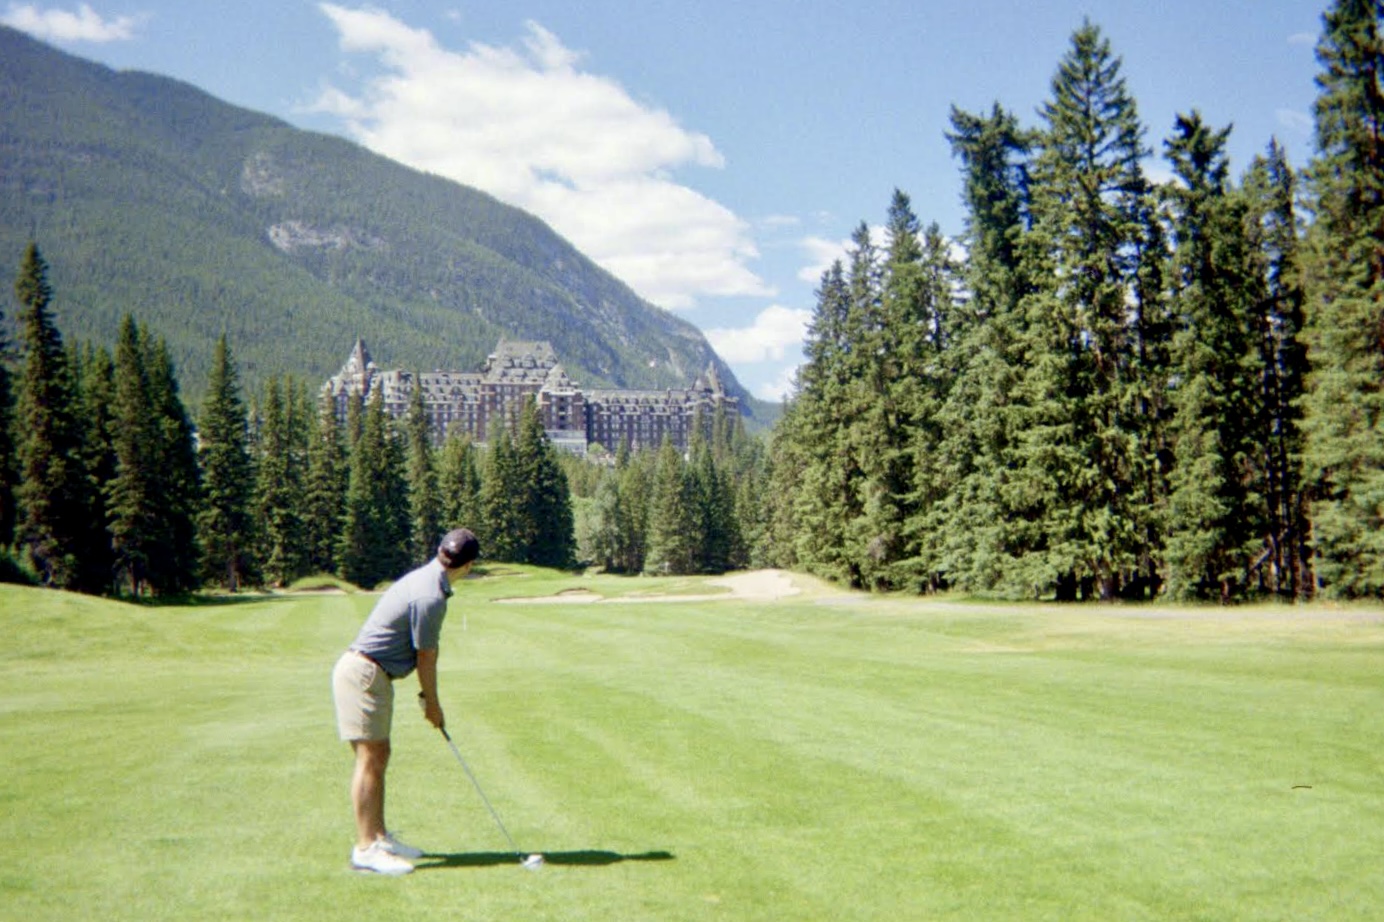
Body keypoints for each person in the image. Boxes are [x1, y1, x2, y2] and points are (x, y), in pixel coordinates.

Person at [331, 527, 480, 875]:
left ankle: (379, 837)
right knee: (370, 759)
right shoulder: (430, 596)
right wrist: (433, 704)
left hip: (370, 674)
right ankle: (366, 848)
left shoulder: (427, 579)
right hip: (365, 674)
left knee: (379, 755)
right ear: (469, 566)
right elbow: (426, 656)